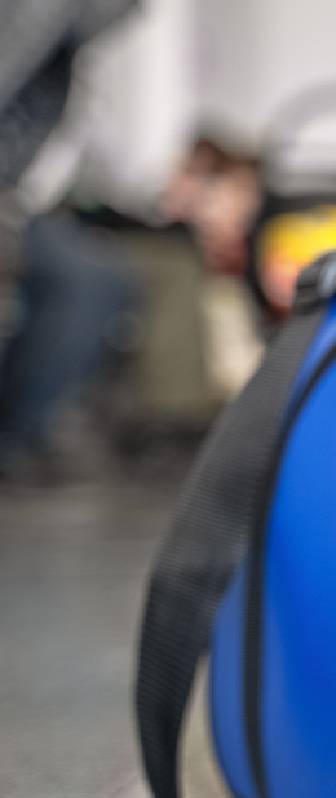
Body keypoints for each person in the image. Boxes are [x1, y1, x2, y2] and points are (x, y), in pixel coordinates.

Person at [0, 0, 139, 482]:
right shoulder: (31, 28)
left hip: (22, 206)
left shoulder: (62, 63)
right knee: (85, 281)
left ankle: (17, 435)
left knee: (95, 281)